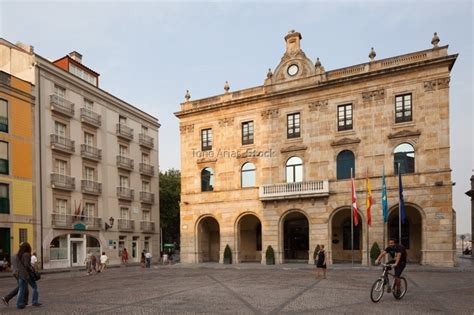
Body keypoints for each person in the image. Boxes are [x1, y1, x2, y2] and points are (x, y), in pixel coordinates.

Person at [16, 242, 41, 309]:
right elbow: (27, 265)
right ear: (28, 247)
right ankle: (34, 301)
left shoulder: (19, 255)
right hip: (26, 274)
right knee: (34, 287)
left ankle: (19, 304)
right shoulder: (26, 254)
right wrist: (32, 270)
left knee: (21, 289)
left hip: (20, 274)